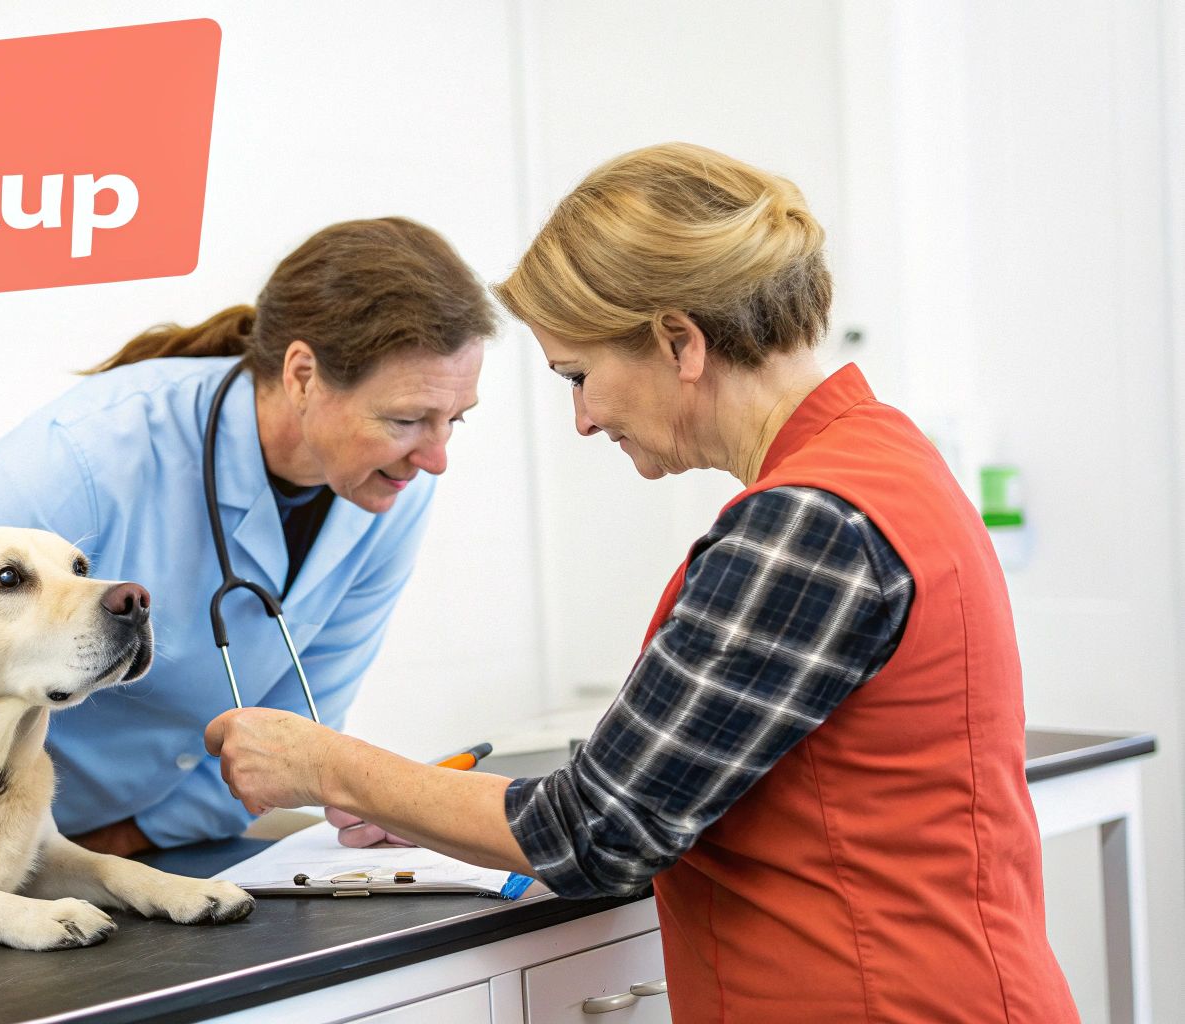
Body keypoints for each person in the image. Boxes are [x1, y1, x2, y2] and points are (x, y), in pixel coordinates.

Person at [204, 144, 1078, 1021]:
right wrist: (421, 805)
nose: (583, 419)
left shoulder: (808, 523)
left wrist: (326, 765)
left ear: (677, 341)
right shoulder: (879, 461)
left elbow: (597, 830)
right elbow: (669, 775)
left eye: (579, 376)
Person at [0, 217, 494, 857]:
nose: (435, 458)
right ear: (302, 374)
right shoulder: (96, 451)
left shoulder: (392, 491)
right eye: (406, 420)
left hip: (116, 849)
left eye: (453, 420)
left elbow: (300, 730)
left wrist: (120, 847)